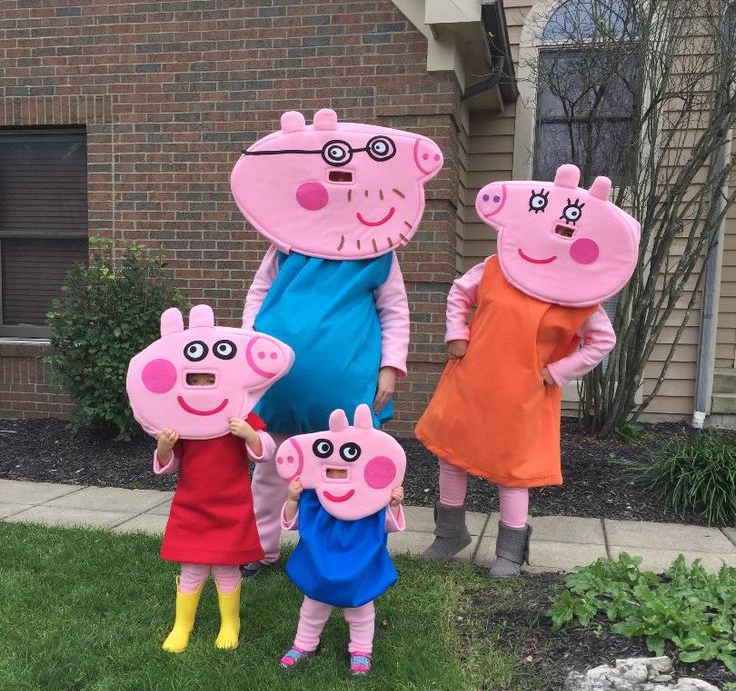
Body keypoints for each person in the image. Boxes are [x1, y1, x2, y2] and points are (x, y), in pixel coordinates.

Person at [231, 108, 443, 575]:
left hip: (346, 382)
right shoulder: (285, 244)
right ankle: (263, 548)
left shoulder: (378, 251)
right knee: (271, 467)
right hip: (279, 381)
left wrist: (391, 365)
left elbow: (394, 310)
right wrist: (248, 350)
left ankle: (345, 549)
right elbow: (259, 294)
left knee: (345, 465)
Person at [416, 165, 639, 576]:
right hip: (472, 379)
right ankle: (450, 534)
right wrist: (456, 332)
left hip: (526, 392)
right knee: (451, 454)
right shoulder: (496, 265)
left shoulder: (579, 297)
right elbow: (460, 292)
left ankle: (510, 551)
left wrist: (558, 372)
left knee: (513, 471)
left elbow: (602, 341)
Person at [154, 378, 275, 652]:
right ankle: (182, 625)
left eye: (210, 380)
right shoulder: (183, 418)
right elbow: (171, 464)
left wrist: (249, 434)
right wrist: (164, 446)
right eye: (194, 381)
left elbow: (266, 451)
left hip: (230, 506)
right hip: (192, 506)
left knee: (226, 567)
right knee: (191, 567)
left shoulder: (241, 414)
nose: (203, 387)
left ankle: (230, 624)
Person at [278, 476, 405, 676]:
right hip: (321, 563)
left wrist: (393, 505)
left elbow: (386, 524)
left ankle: (362, 650)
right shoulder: (315, 497)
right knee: (313, 608)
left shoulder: (369, 499)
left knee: (361, 610)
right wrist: (293, 500)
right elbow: (294, 522)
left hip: (359, 565)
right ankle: (304, 644)